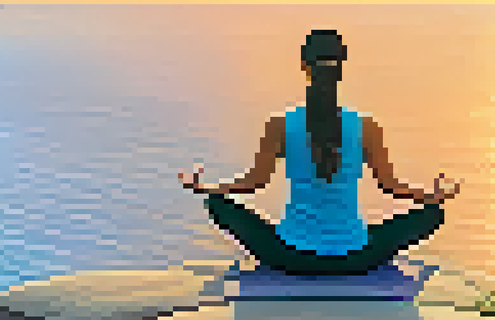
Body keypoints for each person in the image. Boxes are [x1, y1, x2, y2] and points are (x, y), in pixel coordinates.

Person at [178, 29, 461, 277]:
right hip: (355, 259)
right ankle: (357, 242)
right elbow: (390, 186)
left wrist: (208, 188)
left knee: (217, 205)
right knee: (432, 215)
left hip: (291, 257)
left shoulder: (280, 125)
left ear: (305, 66)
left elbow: (255, 183)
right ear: (341, 68)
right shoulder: (366, 127)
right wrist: (431, 197)